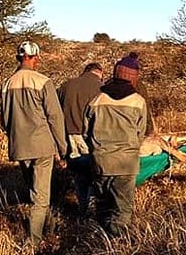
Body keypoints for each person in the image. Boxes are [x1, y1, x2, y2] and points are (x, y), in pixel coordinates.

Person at [0, 40, 68, 249]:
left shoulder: (6, 84)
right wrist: (63, 148)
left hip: (19, 146)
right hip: (42, 146)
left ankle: (51, 225)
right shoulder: (43, 81)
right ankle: (34, 242)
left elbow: (3, 119)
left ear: (18, 57)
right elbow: (55, 117)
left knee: (35, 190)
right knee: (40, 196)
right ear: (34, 57)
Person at [83, 54, 148, 236]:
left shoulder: (97, 100)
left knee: (102, 204)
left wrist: (97, 150)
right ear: (133, 77)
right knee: (122, 208)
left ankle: (100, 237)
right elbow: (140, 133)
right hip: (126, 164)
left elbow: (85, 132)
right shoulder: (138, 101)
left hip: (100, 162)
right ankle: (116, 243)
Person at [57, 63, 104, 217]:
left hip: (67, 136)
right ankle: (91, 211)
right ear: (100, 73)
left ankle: (82, 208)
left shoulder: (65, 85)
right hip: (89, 137)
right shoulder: (101, 88)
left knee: (78, 175)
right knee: (94, 173)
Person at [112, 52, 157, 136]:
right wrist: (149, 131)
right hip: (131, 138)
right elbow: (145, 112)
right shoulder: (139, 87)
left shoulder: (105, 88)